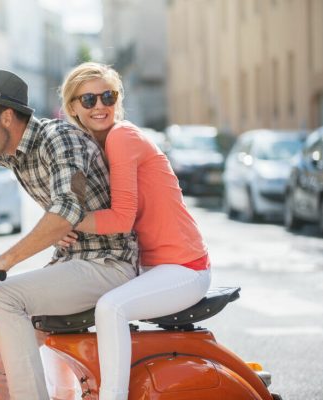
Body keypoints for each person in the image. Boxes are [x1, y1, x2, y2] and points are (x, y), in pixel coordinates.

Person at [0, 65, 139, 399]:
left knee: (3, 295)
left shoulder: (60, 138)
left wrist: (5, 259)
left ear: (6, 117)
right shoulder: (11, 152)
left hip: (108, 264)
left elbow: (67, 210)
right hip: (71, 266)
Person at [57, 62, 212, 400]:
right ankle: (63, 394)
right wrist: (63, 227)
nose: (100, 106)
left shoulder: (122, 137)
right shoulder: (90, 146)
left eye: (108, 97)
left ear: (118, 100)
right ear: (72, 107)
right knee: (56, 302)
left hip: (183, 267)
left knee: (111, 308)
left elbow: (121, 219)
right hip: (150, 268)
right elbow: (86, 210)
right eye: (88, 100)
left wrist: (65, 220)